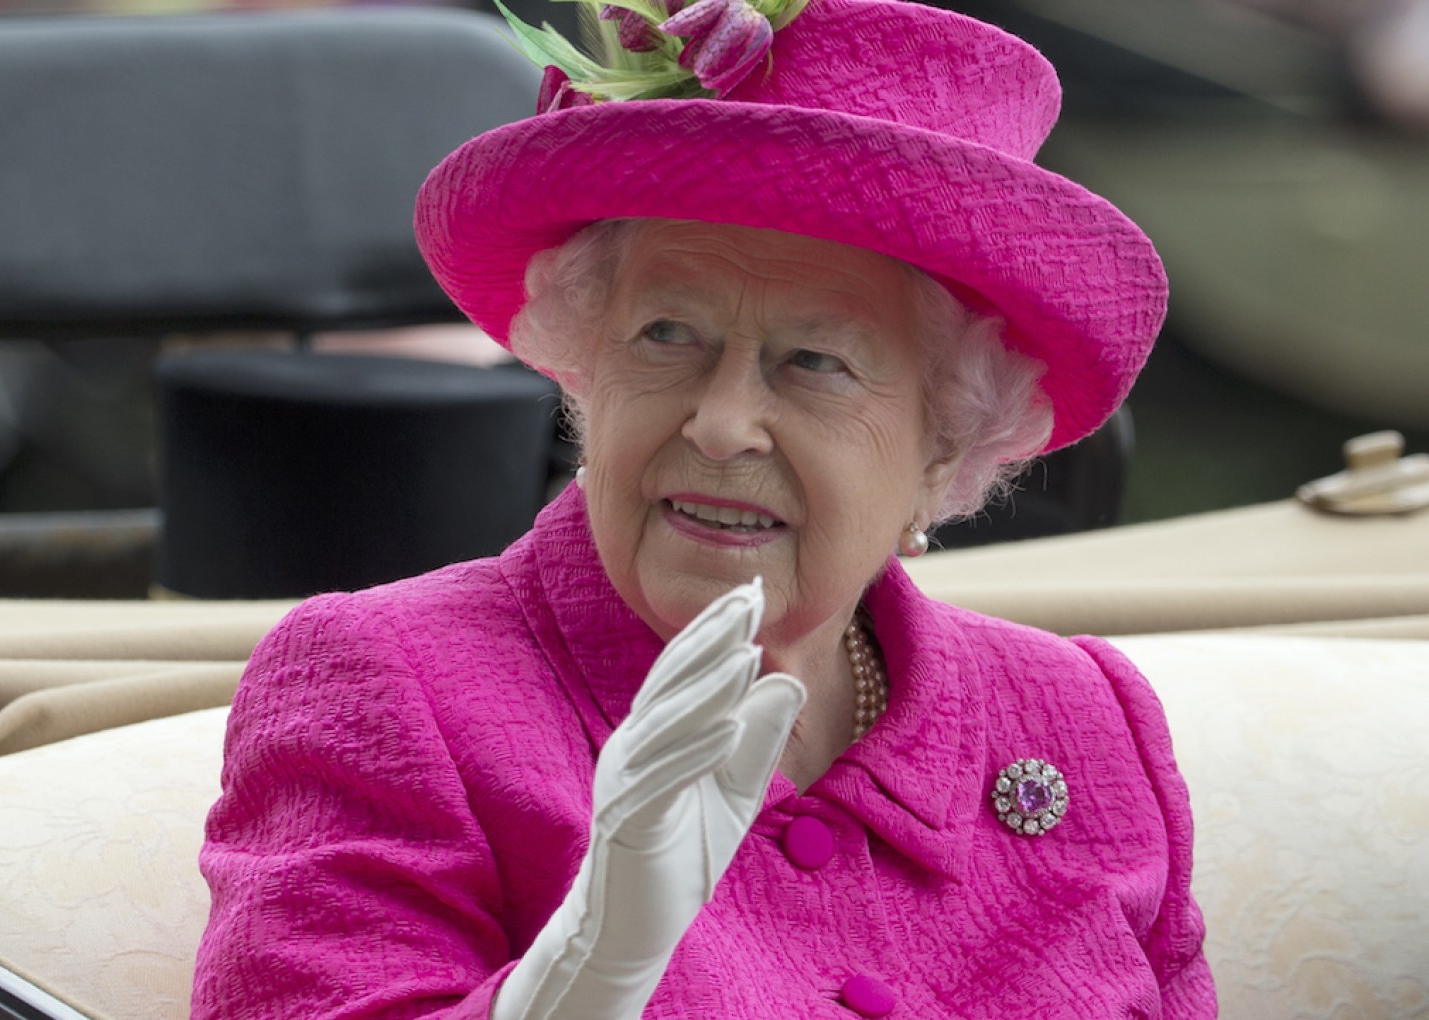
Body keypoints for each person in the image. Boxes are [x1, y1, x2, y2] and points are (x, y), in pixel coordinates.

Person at [192, 0, 1215, 1015]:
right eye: (665, 335)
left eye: (815, 362)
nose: (723, 424)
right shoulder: (387, 684)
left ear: (944, 439)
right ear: (585, 373)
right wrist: (573, 991)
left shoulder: (1083, 719)